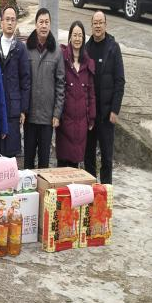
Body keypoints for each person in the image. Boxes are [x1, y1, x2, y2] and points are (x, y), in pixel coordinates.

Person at [84, 11, 125, 183]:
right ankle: (91, 191)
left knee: (107, 158)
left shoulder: (113, 48)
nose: (98, 26)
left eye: (101, 22)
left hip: (107, 114)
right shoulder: (86, 48)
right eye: (95, 23)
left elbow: (120, 81)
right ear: (91, 25)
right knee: (88, 156)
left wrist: (115, 109)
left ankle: (106, 191)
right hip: (91, 114)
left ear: (106, 25)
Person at [24, 7, 65, 169]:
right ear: (35, 25)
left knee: (44, 163)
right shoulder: (27, 49)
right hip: (30, 115)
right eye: (41, 22)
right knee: (28, 161)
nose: (43, 25)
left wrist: (57, 113)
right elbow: (22, 80)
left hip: (48, 118)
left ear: (50, 24)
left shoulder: (57, 52)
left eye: (46, 22)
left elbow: (60, 84)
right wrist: (22, 110)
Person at [0, 6, 31, 157]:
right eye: (7, 19)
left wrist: (23, 109)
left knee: (10, 154)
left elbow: (25, 80)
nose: (10, 23)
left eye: (13, 20)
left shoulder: (21, 48)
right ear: (1, 22)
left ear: (16, 23)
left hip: (13, 107)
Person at [56, 21, 96, 168]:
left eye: (80, 35)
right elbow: (58, 88)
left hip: (81, 125)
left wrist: (91, 117)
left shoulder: (88, 63)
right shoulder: (62, 59)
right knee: (62, 164)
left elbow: (91, 93)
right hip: (64, 123)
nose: (77, 38)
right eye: (75, 35)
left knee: (75, 165)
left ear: (83, 38)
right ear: (70, 37)